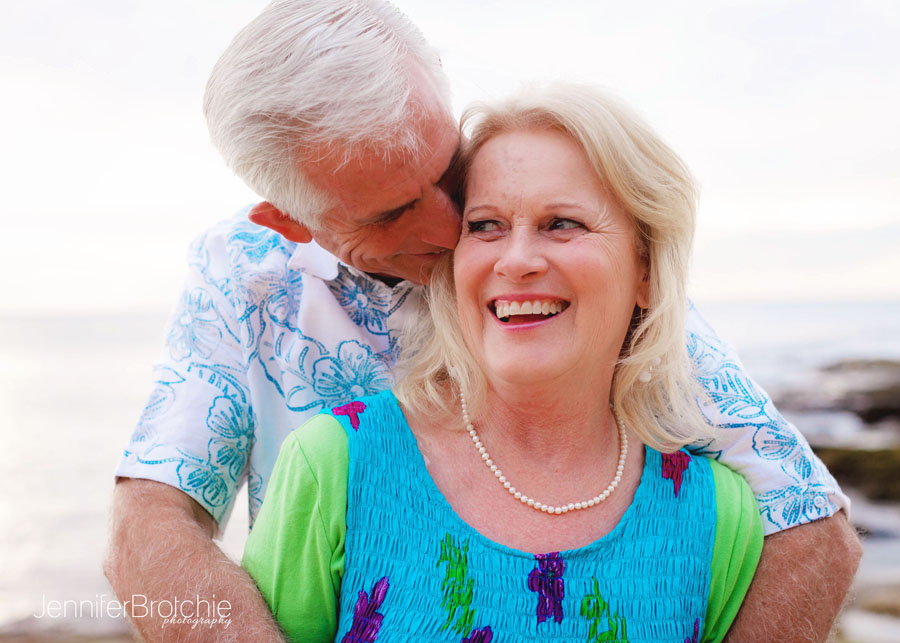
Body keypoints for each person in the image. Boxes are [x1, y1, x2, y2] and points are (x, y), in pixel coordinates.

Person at [104, 1, 860, 641]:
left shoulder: (554, 264)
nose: (451, 225)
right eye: (393, 212)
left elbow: (811, 527)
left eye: (448, 171)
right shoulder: (244, 273)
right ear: (292, 222)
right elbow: (145, 530)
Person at [243, 83, 765, 642]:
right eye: (485, 225)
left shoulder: (720, 516)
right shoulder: (334, 467)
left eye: (562, 223)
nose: (515, 261)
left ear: (647, 271)